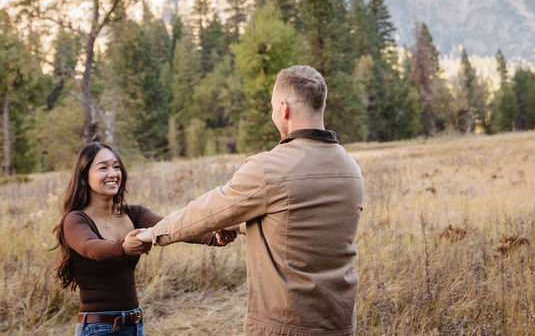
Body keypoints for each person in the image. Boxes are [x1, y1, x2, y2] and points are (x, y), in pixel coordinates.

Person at [139, 65, 365, 335]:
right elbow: (299, 226)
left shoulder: (270, 167)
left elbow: (206, 212)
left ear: (283, 108)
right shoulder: (351, 168)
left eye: (272, 108)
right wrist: (237, 226)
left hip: (285, 323)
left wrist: (153, 233)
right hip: (339, 323)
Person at [54, 142, 235, 335]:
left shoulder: (134, 213)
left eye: (116, 167)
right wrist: (123, 247)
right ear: (84, 175)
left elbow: (174, 227)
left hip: (134, 325)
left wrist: (213, 237)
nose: (113, 173)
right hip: (97, 328)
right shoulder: (75, 220)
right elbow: (90, 247)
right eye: (103, 167)